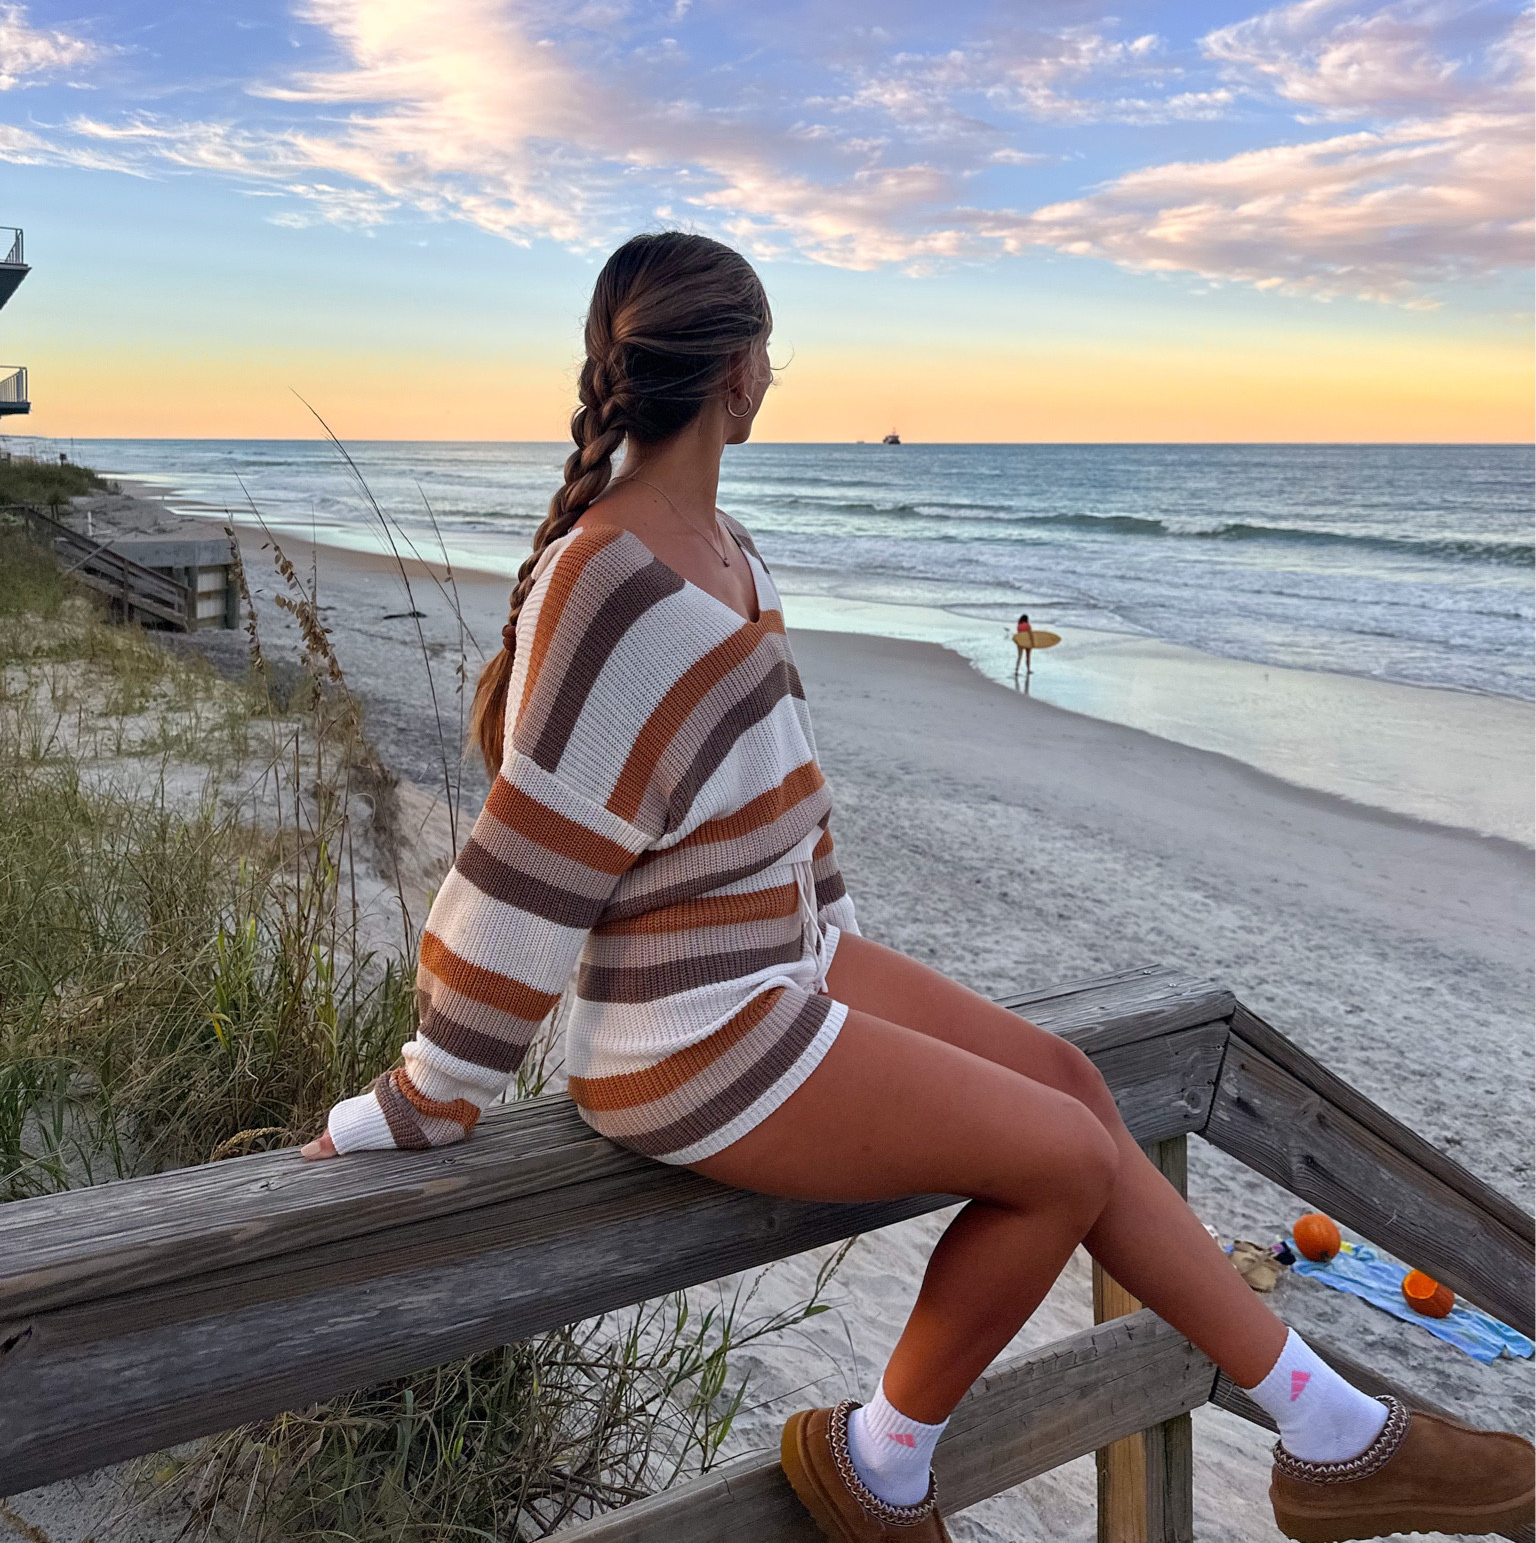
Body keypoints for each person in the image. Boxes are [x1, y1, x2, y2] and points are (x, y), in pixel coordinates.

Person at [303, 233, 1532, 1543]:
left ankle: (1332, 1430)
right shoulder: (609, 579)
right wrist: (434, 1092)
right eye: (770, 351)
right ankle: (887, 1465)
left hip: (783, 964)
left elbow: (781, 799)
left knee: (1069, 1079)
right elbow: (531, 863)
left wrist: (845, 966)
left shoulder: (729, 548)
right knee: (1059, 1162)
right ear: (737, 371)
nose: (775, 373)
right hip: (683, 1041)